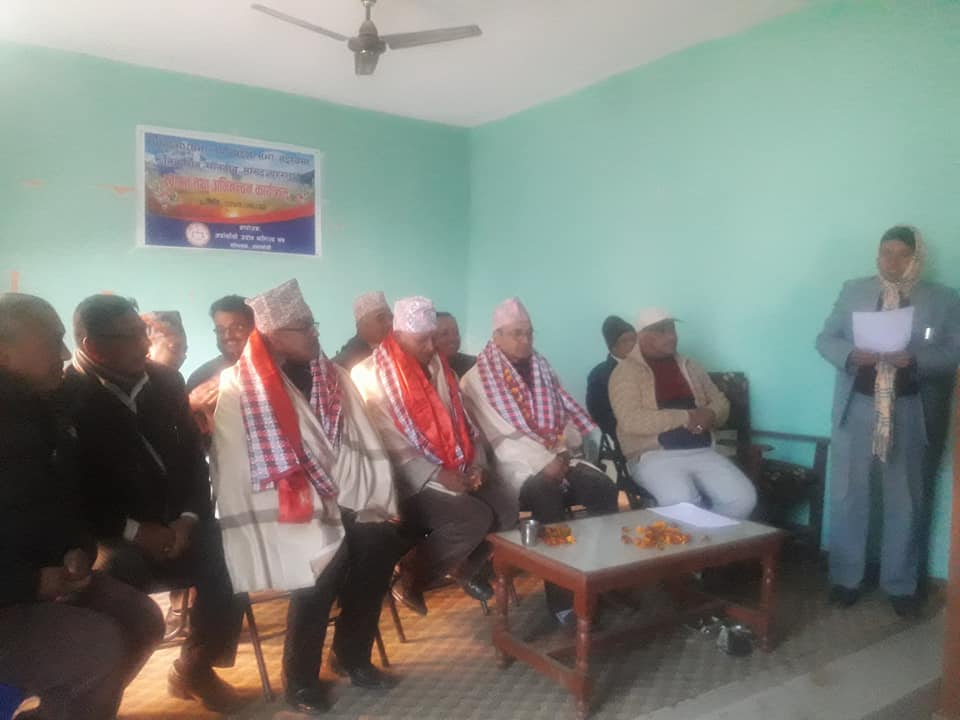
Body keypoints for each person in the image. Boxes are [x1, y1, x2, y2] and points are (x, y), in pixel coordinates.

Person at [210, 280, 409, 713]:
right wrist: (318, 504)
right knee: (324, 558)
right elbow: (235, 464)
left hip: (343, 494)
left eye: (312, 323)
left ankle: (351, 654)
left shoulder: (334, 376)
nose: (315, 332)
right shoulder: (239, 385)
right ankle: (299, 677)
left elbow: (359, 441)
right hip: (282, 507)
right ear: (274, 335)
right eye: (304, 327)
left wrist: (354, 497)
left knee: (379, 540)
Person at [63, 294, 245, 714]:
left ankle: (195, 668)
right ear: (93, 346)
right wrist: (134, 531)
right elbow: (75, 490)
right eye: (132, 336)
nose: (146, 344)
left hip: (177, 522)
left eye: (143, 332)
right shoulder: (66, 396)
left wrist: (187, 520)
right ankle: (95, 695)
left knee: (236, 548)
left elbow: (193, 462)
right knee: (115, 577)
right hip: (111, 534)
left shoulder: (165, 382)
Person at [0, 293, 163, 720]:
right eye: (51, 341)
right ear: (4, 352)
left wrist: (76, 551)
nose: (63, 353)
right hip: (12, 593)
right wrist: (30, 583)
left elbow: (69, 501)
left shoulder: (52, 408)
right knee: (95, 645)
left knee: (142, 619)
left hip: (47, 579)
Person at [816, 225, 960, 617]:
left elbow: (953, 353)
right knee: (849, 493)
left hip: (910, 409)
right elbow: (825, 339)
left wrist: (915, 359)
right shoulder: (853, 290)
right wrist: (850, 354)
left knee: (906, 497)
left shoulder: (943, 298)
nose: (892, 261)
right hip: (858, 407)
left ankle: (901, 584)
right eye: (885, 252)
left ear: (916, 257)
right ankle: (846, 578)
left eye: (901, 254)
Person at [351, 296, 516, 615]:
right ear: (398, 335)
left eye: (433, 337)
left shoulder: (441, 368)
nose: (431, 347)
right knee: (472, 518)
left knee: (507, 506)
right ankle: (412, 576)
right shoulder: (369, 375)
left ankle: (464, 566)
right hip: (408, 481)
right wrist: (437, 474)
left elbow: (465, 425)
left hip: (456, 468)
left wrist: (476, 465)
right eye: (422, 340)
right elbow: (387, 444)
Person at [461, 297, 618, 620]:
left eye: (529, 333)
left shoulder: (542, 368)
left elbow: (565, 416)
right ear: (497, 337)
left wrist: (563, 451)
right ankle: (563, 602)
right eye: (517, 334)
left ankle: (602, 581)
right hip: (516, 466)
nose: (525, 340)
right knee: (546, 495)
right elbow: (499, 436)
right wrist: (545, 462)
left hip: (560, 455)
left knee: (602, 487)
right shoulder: (475, 380)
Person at [609, 308, 756, 519]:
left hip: (703, 450)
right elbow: (631, 420)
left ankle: (707, 537)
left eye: (672, 329)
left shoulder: (690, 365)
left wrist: (710, 414)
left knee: (743, 499)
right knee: (682, 503)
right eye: (661, 331)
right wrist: (687, 417)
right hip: (654, 455)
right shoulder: (625, 372)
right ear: (642, 336)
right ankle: (696, 536)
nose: (671, 336)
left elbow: (720, 401)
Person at [185, 295, 254, 436]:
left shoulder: (278, 368)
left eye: (237, 327)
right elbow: (194, 436)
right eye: (221, 330)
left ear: (253, 327)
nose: (228, 335)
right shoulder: (202, 377)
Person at [586, 315, 637, 436]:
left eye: (634, 339)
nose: (633, 344)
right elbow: (601, 415)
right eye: (625, 341)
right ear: (612, 347)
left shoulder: (646, 364)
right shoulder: (599, 376)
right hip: (628, 435)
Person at [333, 291, 392, 371]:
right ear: (361, 325)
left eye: (391, 317)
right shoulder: (346, 361)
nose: (390, 323)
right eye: (381, 318)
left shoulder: (394, 347)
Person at [434, 311, 476, 378]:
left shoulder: (473, 365)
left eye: (456, 332)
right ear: (432, 338)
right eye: (444, 334)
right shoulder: (428, 368)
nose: (452, 338)